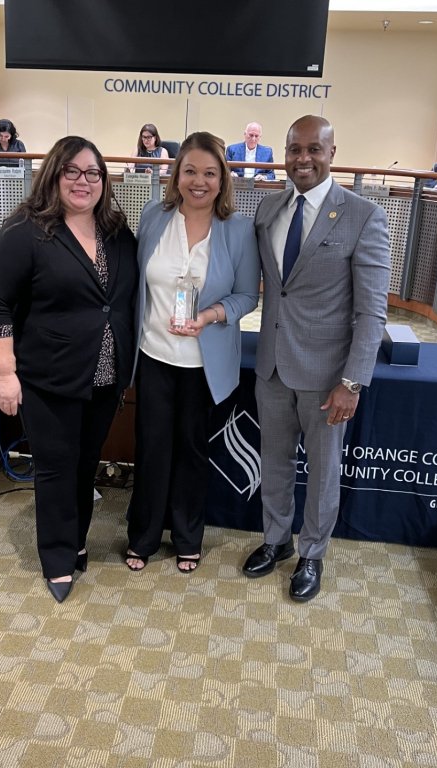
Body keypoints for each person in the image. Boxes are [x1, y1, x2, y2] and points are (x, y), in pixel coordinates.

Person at [0, 136, 139, 603]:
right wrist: (5, 374)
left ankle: (77, 540)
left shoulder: (115, 231)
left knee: (86, 466)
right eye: (72, 171)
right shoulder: (28, 231)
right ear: (53, 174)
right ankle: (56, 558)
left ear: (104, 182)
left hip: (105, 379)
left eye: (93, 173)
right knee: (55, 469)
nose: (83, 181)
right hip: (48, 378)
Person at [242, 115, 390, 601]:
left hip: (328, 376)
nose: (303, 159)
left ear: (331, 152)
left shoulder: (362, 215)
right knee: (275, 462)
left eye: (314, 149)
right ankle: (276, 540)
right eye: (294, 149)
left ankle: (312, 554)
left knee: (324, 472)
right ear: (282, 153)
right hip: (272, 367)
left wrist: (352, 382)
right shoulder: (267, 209)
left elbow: (372, 310)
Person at [126, 131, 260, 573]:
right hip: (153, 355)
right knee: (150, 449)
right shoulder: (153, 216)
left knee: (191, 451)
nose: (198, 182)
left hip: (204, 364)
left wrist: (211, 315)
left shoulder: (238, 230)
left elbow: (247, 296)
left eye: (209, 173)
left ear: (222, 179)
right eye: (190, 171)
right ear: (175, 174)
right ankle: (142, 537)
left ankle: (187, 537)